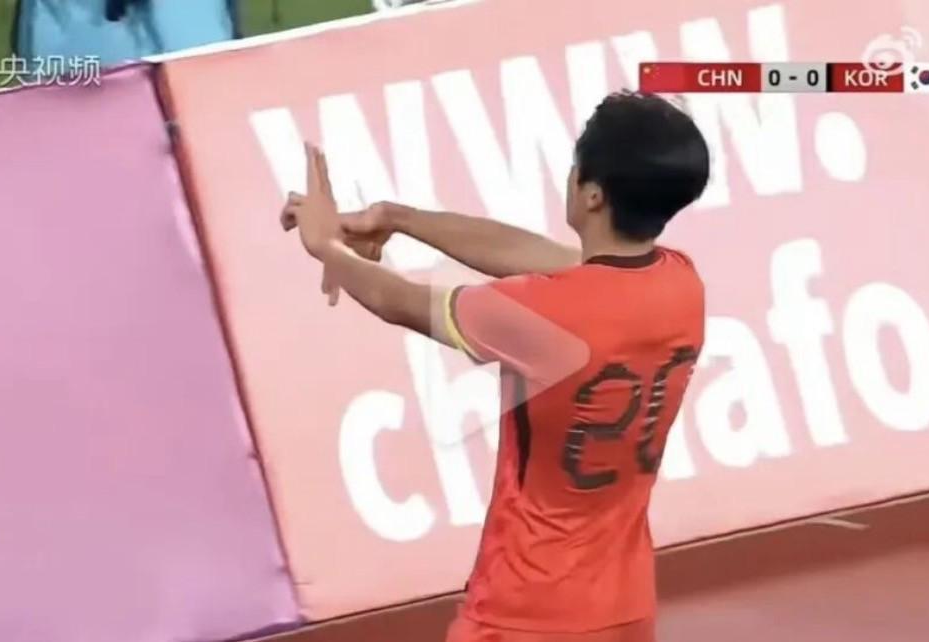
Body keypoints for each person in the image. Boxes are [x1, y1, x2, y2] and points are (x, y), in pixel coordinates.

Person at [282, 91, 710, 642]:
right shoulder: (680, 282)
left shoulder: (548, 314)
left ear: (593, 193)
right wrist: (396, 218)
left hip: (524, 613)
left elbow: (398, 301)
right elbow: (554, 263)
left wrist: (326, 245)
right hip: (624, 608)